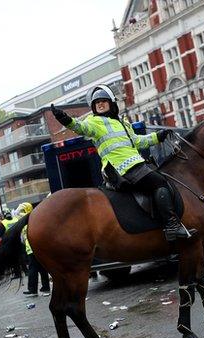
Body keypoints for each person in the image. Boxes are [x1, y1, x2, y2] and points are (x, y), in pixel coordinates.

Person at [51, 84, 190, 241]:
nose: (100, 104)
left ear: (111, 103)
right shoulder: (95, 121)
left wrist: (158, 136)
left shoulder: (123, 123)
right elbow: (81, 127)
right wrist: (66, 119)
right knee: (160, 182)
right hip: (119, 169)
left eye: (103, 101)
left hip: (136, 164)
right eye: (97, 103)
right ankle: (172, 226)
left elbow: (138, 141)